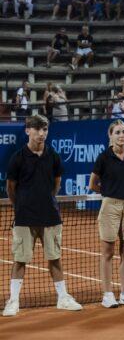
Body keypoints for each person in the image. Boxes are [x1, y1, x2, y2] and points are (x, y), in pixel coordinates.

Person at [3, 115, 82, 317]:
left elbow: (56, 184)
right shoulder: (17, 158)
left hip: (50, 216)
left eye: (44, 129)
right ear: (27, 131)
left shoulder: (53, 156)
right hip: (24, 217)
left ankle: (63, 298)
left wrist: (46, 201)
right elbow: (10, 187)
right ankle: (13, 301)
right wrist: (21, 205)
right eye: (37, 129)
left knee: (55, 258)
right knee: (20, 260)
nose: (41, 133)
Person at [89, 119, 124, 309]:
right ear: (110, 136)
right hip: (110, 205)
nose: (122, 135)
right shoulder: (103, 157)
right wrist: (109, 192)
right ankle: (107, 294)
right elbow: (93, 184)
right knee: (108, 252)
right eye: (117, 132)